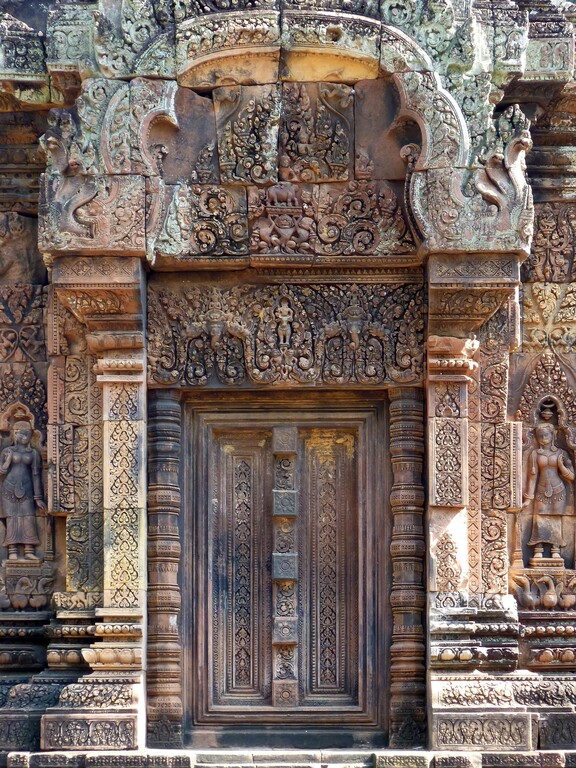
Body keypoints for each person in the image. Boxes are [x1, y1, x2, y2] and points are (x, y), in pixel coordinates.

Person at [523, 423, 575, 559]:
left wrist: (561, 466)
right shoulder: (535, 454)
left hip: (559, 491)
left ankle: (555, 549)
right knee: (539, 517)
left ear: (553, 435)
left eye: (546, 434)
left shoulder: (561, 453)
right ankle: (538, 548)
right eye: (540, 435)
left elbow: (572, 476)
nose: (543, 437)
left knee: (555, 517)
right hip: (541, 490)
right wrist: (528, 498)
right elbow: (532, 476)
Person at [0, 419, 46, 560]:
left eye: (27, 434)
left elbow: (36, 475)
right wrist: (7, 461)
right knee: (12, 518)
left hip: (27, 490)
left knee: (28, 518)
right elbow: (1, 472)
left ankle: (29, 550)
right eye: (21, 434)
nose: (24, 437)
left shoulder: (32, 454)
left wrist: (38, 498)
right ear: (15, 435)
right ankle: (12, 551)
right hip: (8, 488)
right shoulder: (7, 451)